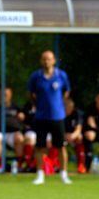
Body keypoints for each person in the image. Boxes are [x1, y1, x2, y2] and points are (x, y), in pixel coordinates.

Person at [28, 50, 72, 184]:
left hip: (57, 116)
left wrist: (58, 105)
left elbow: (66, 92)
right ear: (41, 61)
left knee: (60, 146)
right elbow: (31, 94)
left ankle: (64, 174)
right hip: (41, 116)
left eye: (49, 59)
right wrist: (39, 105)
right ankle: (40, 174)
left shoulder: (61, 75)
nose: (47, 62)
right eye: (44, 59)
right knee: (40, 146)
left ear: (54, 60)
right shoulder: (36, 76)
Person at [0, 87, 26, 173]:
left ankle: (19, 165)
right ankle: (0, 164)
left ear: (10, 95)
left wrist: (21, 116)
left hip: (12, 133)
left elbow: (23, 116)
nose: (4, 96)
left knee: (19, 137)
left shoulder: (15, 106)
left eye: (6, 94)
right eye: (2, 94)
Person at [63, 98, 86, 173]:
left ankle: (81, 165)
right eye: (65, 108)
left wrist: (72, 136)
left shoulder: (77, 114)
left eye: (68, 108)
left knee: (79, 137)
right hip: (61, 135)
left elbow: (78, 129)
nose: (67, 111)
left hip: (73, 135)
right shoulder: (58, 114)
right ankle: (55, 165)